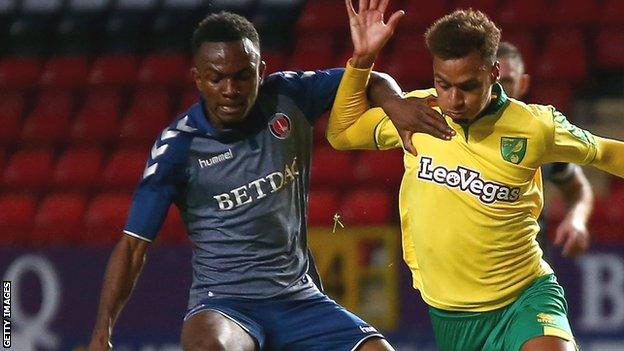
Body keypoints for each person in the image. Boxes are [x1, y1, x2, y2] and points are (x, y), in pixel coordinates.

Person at [87, 6, 446, 351]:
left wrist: (395, 104)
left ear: (260, 71)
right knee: (208, 346)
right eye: (217, 78)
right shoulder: (178, 148)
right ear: (198, 78)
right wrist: (102, 334)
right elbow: (133, 247)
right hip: (226, 305)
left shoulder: (288, 95)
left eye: (242, 75)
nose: (230, 89)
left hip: (299, 298)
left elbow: (371, 81)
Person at [328, 4, 624, 351]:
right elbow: (341, 133)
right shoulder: (416, 113)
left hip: (524, 294)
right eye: (443, 84)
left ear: (494, 72)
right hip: (450, 313)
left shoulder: (535, 126)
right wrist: (362, 60)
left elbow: (606, 153)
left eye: (468, 86)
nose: (454, 100)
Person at [497, 41, 594, 259]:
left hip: (530, 274)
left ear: (523, 84)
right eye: (491, 81)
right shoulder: (459, 132)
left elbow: (578, 188)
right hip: (465, 276)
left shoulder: (542, 136)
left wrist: (577, 219)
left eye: (507, 82)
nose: (498, 91)